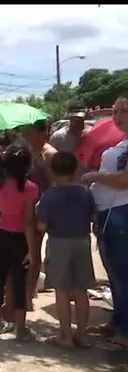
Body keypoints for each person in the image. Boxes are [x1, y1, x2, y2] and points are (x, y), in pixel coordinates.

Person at [80, 93, 128, 349]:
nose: (117, 117)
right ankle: (118, 320)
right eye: (116, 112)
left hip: (121, 212)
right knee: (114, 272)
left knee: (122, 274)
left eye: (123, 112)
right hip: (110, 212)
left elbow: (125, 180)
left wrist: (96, 176)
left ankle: (126, 330)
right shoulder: (122, 142)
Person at [37, 152, 96, 349]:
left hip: (59, 242)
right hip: (82, 241)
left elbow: (41, 226)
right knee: (81, 291)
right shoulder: (85, 192)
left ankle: (65, 335)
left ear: (52, 171)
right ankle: (82, 335)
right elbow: (93, 216)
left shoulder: (50, 195)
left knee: (61, 291)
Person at [0, 140, 39, 342]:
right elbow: (27, 222)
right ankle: (20, 329)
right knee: (19, 283)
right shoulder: (31, 188)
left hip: (0, 235)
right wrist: (32, 252)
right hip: (20, 239)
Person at [22, 119, 56, 305]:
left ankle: (29, 294)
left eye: (31, 133)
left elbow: (55, 184)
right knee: (25, 250)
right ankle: (28, 289)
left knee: (34, 250)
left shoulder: (49, 155)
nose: (28, 136)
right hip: (26, 206)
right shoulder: (28, 152)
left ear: (43, 133)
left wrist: (44, 203)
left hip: (40, 207)